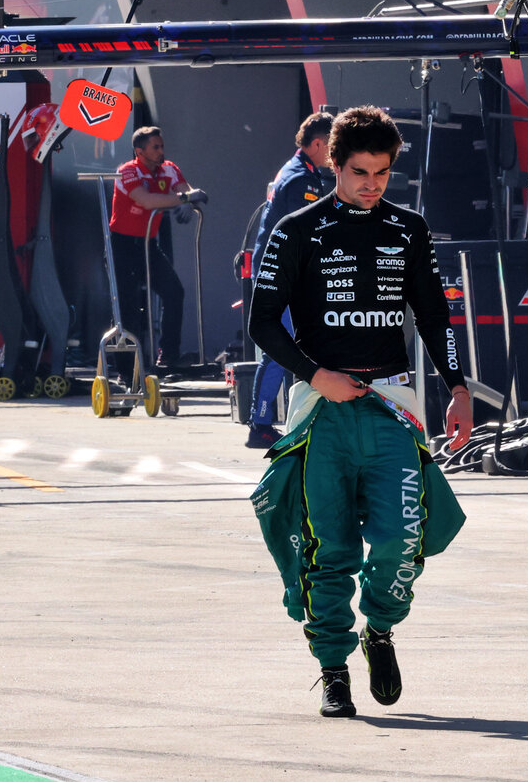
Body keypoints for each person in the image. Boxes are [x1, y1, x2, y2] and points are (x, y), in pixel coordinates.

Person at [249, 105, 472, 719]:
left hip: (391, 406)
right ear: (333, 164)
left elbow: (434, 316)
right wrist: (316, 374)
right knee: (329, 549)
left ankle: (380, 629)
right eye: (359, 171)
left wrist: (456, 390)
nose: (371, 184)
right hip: (321, 409)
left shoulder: (409, 229)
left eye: (381, 173)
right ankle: (332, 667)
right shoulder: (297, 227)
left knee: (403, 541)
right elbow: (261, 321)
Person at [245, 112, 334, 449]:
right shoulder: (302, 180)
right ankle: (261, 424)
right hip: (280, 272)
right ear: (316, 144)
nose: (334, 152)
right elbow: (307, 231)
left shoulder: (298, 169)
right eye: (331, 145)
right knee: (280, 350)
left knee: (298, 346)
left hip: (278, 269)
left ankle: (277, 420)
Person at [108, 126, 205, 369]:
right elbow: (147, 200)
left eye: (162, 146)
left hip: (148, 245)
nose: (161, 151)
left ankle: (168, 355)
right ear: (139, 151)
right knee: (127, 305)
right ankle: (125, 367)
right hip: (122, 246)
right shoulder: (127, 172)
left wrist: (186, 202)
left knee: (174, 292)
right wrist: (184, 200)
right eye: (155, 147)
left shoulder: (169, 169)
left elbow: (186, 191)